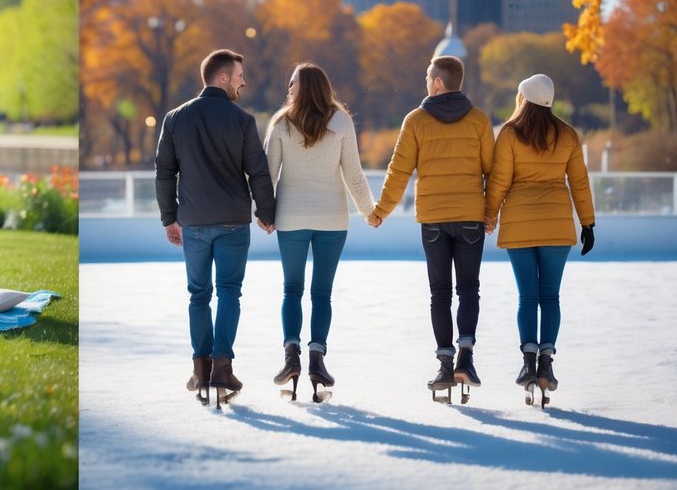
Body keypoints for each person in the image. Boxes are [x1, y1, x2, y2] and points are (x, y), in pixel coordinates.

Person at [155, 48, 276, 408]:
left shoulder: (175, 119)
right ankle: (222, 369)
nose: (243, 80)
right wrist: (266, 212)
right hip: (233, 223)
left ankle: (200, 369)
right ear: (222, 78)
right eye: (239, 74)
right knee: (229, 293)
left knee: (198, 295)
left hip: (192, 222)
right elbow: (257, 171)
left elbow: (165, 172)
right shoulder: (242, 120)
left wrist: (169, 216)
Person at [367, 55, 495, 394]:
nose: (426, 81)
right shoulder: (480, 120)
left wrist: (381, 210)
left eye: (428, 76)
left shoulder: (416, 121)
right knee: (468, 287)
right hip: (470, 216)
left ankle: (444, 365)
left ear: (438, 82)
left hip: (434, 219)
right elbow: (491, 171)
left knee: (439, 292)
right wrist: (490, 212)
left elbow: (399, 171)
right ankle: (466, 358)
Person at [263, 63, 375, 398]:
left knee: (292, 289)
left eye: (292, 81)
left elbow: (267, 175)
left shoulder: (282, 122)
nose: (289, 86)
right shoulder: (340, 121)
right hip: (332, 219)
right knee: (321, 293)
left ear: (304, 86)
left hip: (291, 218)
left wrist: (266, 214)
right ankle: (316, 359)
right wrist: (370, 211)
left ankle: (291, 357)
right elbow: (353, 174)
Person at [483, 74, 596, 398]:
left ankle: (527, 361)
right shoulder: (567, 135)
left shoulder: (509, 134)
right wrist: (587, 223)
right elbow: (580, 182)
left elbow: (500, 181)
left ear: (524, 98)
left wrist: (489, 216)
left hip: (519, 224)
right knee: (550, 297)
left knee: (527, 297)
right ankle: (546, 363)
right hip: (557, 226)